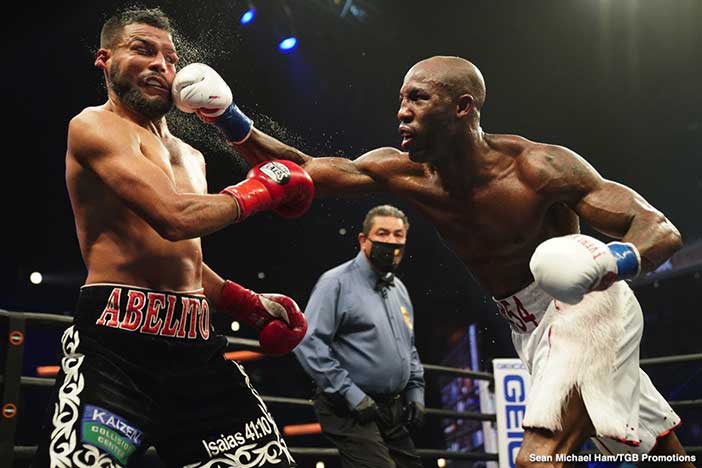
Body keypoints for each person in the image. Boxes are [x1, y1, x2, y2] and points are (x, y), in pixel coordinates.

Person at [173, 57, 694, 466]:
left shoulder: (539, 168)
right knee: (652, 444)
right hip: (529, 328)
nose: (401, 111)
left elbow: (659, 230)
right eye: (401, 99)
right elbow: (304, 171)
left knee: (540, 455)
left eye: (417, 99)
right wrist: (227, 117)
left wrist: (608, 262)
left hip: (587, 306)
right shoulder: (403, 174)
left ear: (463, 107)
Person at [32, 7, 315, 468]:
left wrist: (247, 303)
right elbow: (173, 217)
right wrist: (261, 189)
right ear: (105, 59)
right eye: (142, 50)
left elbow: (180, 258)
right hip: (116, 346)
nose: (160, 65)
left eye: (170, 57)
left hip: (195, 348)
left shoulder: (191, 155)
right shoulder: (93, 127)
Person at [293, 205, 425, 468]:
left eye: (398, 235)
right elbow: (307, 341)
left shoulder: (398, 288)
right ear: (363, 240)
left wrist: (416, 392)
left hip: (390, 408)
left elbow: (407, 346)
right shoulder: (336, 282)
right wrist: (350, 393)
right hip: (345, 406)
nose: (391, 241)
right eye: (383, 233)